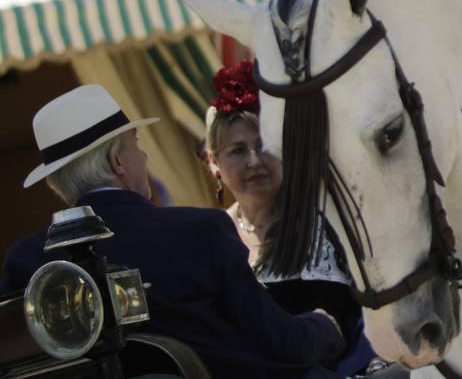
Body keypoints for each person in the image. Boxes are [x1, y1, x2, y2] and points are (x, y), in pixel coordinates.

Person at [2, 84, 346, 378]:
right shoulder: (200, 231)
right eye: (135, 144)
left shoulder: (26, 263)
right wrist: (325, 327)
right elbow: (281, 344)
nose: (144, 156)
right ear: (117, 163)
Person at [203, 62, 392, 377]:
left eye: (264, 145)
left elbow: (358, 325)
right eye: (238, 150)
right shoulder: (212, 237)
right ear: (214, 163)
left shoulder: (327, 223)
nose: (254, 161)